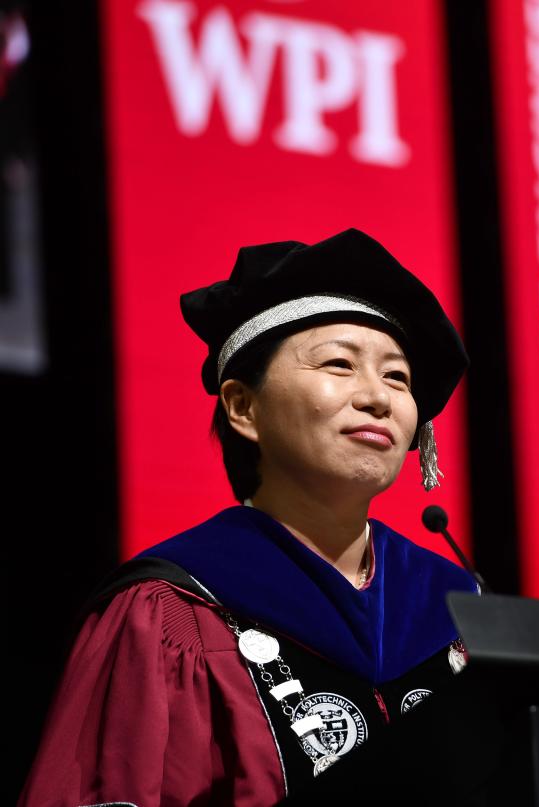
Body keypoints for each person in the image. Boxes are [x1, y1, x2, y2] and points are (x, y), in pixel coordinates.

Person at [19, 229, 481, 806]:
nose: (378, 398)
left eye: (397, 377)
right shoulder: (173, 611)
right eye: (340, 364)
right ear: (242, 407)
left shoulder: (459, 612)